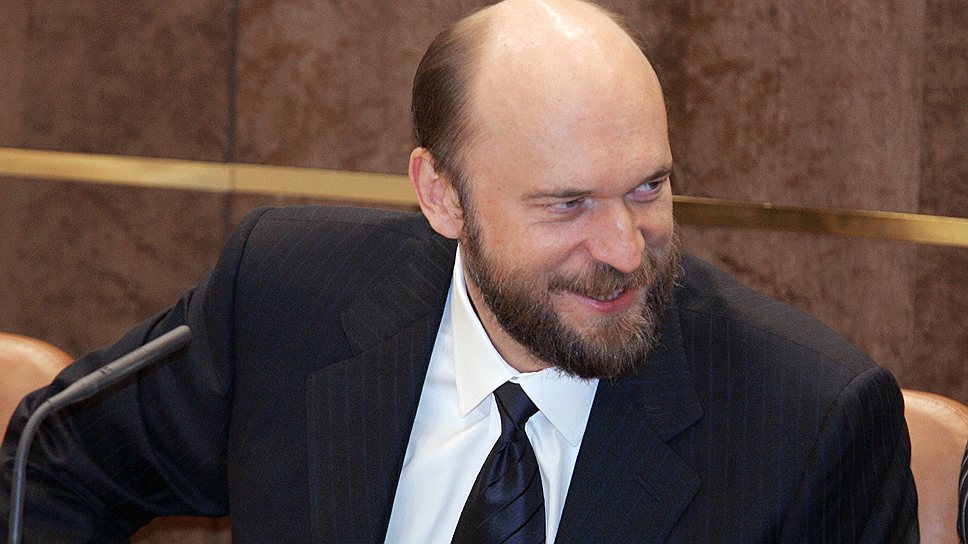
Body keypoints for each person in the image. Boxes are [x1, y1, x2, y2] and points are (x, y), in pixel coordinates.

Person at [1, 0, 918, 542]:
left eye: (648, 188)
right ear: (441, 196)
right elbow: (51, 462)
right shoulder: (287, 293)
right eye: (566, 204)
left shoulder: (809, 422)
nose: (624, 249)